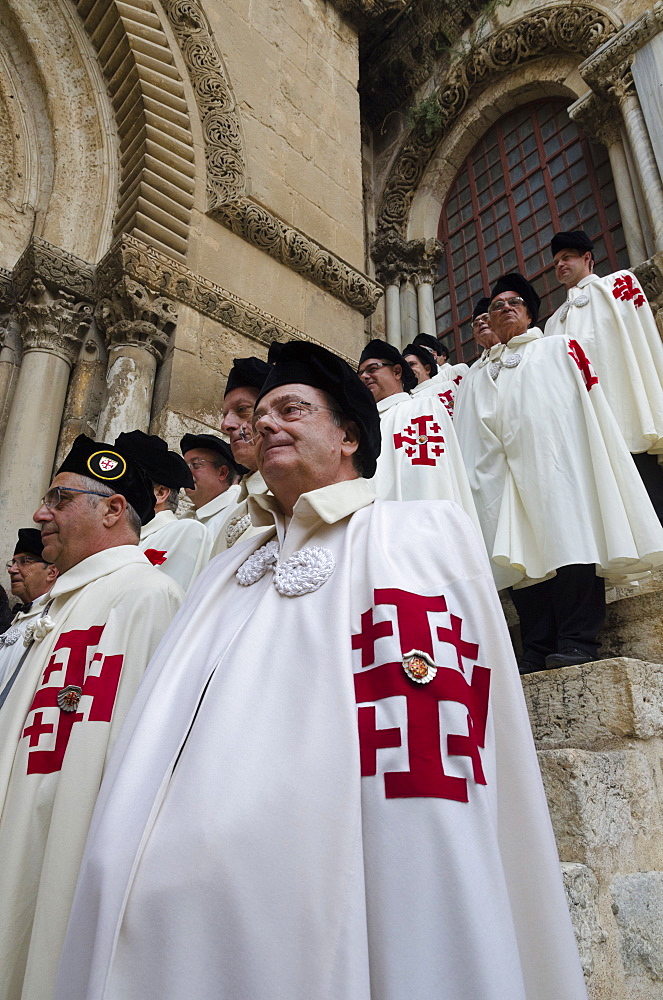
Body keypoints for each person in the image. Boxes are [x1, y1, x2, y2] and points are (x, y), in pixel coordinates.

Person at [58, 340, 587, 1000]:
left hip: (322, 876)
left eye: (293, 409)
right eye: (263, 413)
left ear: (348, 438)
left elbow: (428, 746)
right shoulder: (228, 565)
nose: (265, 423)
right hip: (179, 897)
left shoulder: (413, 536)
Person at [0, 435, 183, 1000]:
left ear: (111, 509)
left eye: (60, 498)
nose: (39, 513)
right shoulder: (60, 603)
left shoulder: (145, 596)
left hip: (66, 841)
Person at [454, 272, 663, 674]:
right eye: (497, 305)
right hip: (500, 478)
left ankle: (577, 640)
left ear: (530, 313)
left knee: (570, 541)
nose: (505, 309)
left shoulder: (557, 348)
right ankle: (536, 645)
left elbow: (587, 406)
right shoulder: (476, 376)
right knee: (519, 560)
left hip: (556, 463)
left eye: (514, 302)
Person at [545, 230, 663, 520]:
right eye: (556, 261)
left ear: (587, 258)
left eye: (567, 257)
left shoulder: (617, 285)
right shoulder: (553, 321)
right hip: (582, 416)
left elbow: (639, 339)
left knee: (646, 483)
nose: (560, 264)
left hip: (623, 401)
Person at [358, 339, 479, 528]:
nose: (364, 376)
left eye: (372, 369)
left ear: (397, 371)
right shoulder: (362, 425)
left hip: (416, 524)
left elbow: (429, 478)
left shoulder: (423, 407)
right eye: (361, 373)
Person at [114, 430, 210, 591]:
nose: (113, 492)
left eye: (128, 482)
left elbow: (161, 601)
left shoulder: (184, 533)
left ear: (159, 493)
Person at [211, 355, 272, 555]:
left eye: (242, 410)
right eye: (225, 414)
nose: (225, 425)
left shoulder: (294, 496)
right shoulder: (236, 504)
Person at [0, 529, 59, 695]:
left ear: (51, 572)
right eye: (12, 563)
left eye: (24, 561)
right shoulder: (19, 617)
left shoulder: (52, 619)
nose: (12, 570)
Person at [180, 432, 243, 547]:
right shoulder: (184, 519)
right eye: (184, 467)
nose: (186, 473)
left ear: (222, 472)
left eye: (195, 464)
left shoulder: (237, 514)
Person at [404, 341, 458, 417]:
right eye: (405, 367)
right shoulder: (406, 403)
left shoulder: (449, 387)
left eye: (412, 364)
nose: (408, 370)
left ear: (427, 369)